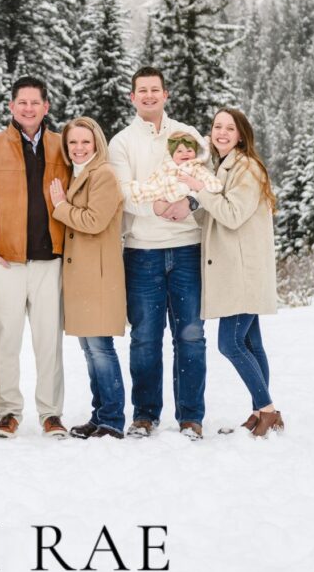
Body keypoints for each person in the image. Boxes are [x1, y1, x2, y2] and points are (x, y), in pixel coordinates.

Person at [108, 66, 206, 440]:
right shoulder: (122, 142)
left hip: (186, 248)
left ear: (166, 95)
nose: (148, 95)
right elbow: (123, 189)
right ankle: (145, 415)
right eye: (141, 90)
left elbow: (205, 179)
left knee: (191, 334)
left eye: (155, 90)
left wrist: (191, 201)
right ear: (132, 97)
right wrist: (157, 206)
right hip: (142, 250)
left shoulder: (188, 135)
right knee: (146, 336)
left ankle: (191, 417)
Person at [0, 76, 70, 438]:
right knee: (6, 339)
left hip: (50, 259)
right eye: (21, 102)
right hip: (5, 262)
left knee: (49, 341)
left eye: (35, 102)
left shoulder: (63, 147)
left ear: (46, 107)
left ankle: (51, 413)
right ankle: (8, 412)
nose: (28, 108)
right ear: (11, 107)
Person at [177, 108, 283, 437]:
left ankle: (267, 411)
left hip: (243, 271)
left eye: (229, 128)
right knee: (251, 343)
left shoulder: (246, 168)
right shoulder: (222, 168)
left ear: (241, 135)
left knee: (231, 343)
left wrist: (199, 190)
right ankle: (260, 411)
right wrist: (190, 204)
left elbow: (233, 213)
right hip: (237, 269)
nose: (222, 132)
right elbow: (214, 215)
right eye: (217, 126)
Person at [49, 117, 127, 439]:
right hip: (82, 276)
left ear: (96, 142)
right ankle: (100, 414)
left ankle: (112, 419)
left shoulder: (104, 174)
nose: (79, 148)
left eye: (85, 142)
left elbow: (94, 221)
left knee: (100, 348)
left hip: (97, 275)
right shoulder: (79, 174)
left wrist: (61, 207)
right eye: (72, 143)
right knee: (90, 349)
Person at [128, 130, 222, 209]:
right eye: (179, 151)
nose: (185, 154)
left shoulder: (195, 167)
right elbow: (155, 178)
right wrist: (148, 185)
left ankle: (170, 195)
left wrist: (214, 185)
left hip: (182, 194)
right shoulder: (167, 166)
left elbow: (207, 177)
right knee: (154, 189)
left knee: (182, 187)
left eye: (189, 150)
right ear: (172, 154)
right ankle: (139, 193)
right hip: (163, 191)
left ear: (195, 153)